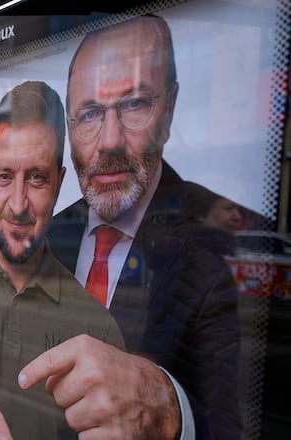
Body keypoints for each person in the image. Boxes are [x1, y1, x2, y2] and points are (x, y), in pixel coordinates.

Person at [42, 15, 240, 439]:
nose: (110, 140)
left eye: (134, 104)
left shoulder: (223, 243)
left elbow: (241, 421)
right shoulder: (49, 234)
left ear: (168, 110)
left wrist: (170, 413)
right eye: (90, 113)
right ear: (70, 128)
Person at [0, 81, 125, 439]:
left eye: (36, 178)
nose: (18, 204)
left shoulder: (99, 329)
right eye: (5, 176)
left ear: (59, 183)